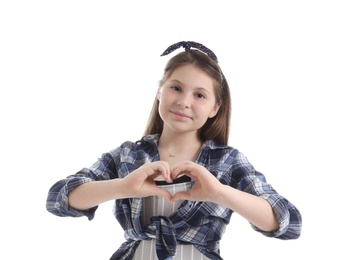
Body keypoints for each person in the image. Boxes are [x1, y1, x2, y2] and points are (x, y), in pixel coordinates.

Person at [46, 41, 302, 260]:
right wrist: (123, 187)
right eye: (176, 88)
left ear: (215, 108)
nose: (184, 102)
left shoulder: (227, 161)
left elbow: (289, 223)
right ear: (160, 91)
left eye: (200, 95)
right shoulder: (128, 156)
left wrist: (220, 193)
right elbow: (58, 199)